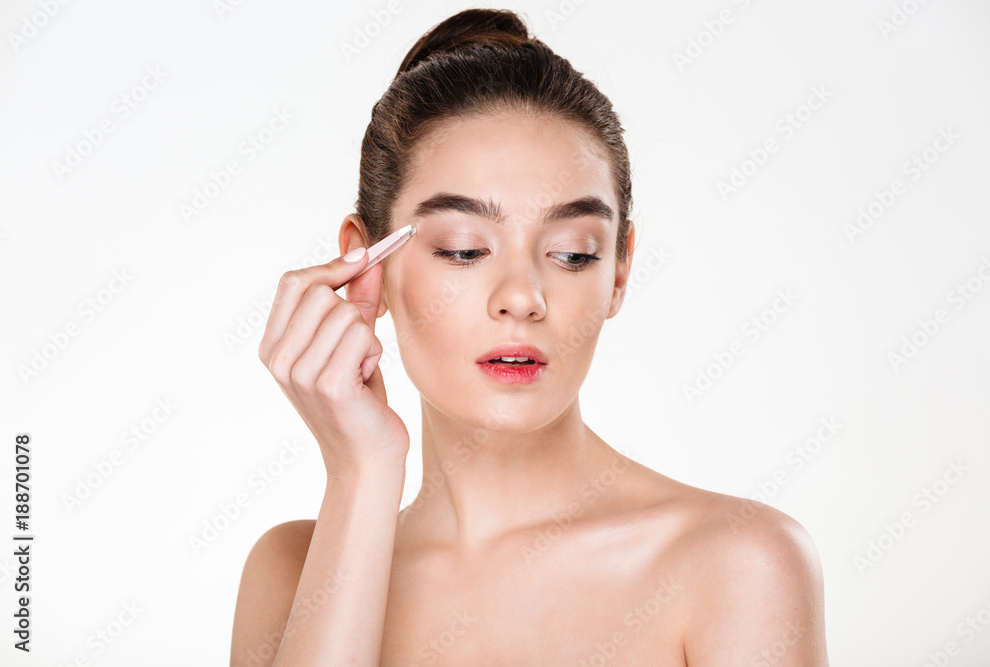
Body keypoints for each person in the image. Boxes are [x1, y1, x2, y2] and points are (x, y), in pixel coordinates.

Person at [230, 8, 829, 666]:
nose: (523, 296)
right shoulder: (292, 573)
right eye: (463, 249)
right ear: (366, 264)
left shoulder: (739, 565)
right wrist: (361, 475)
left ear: (620, 269)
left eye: (572, 253)